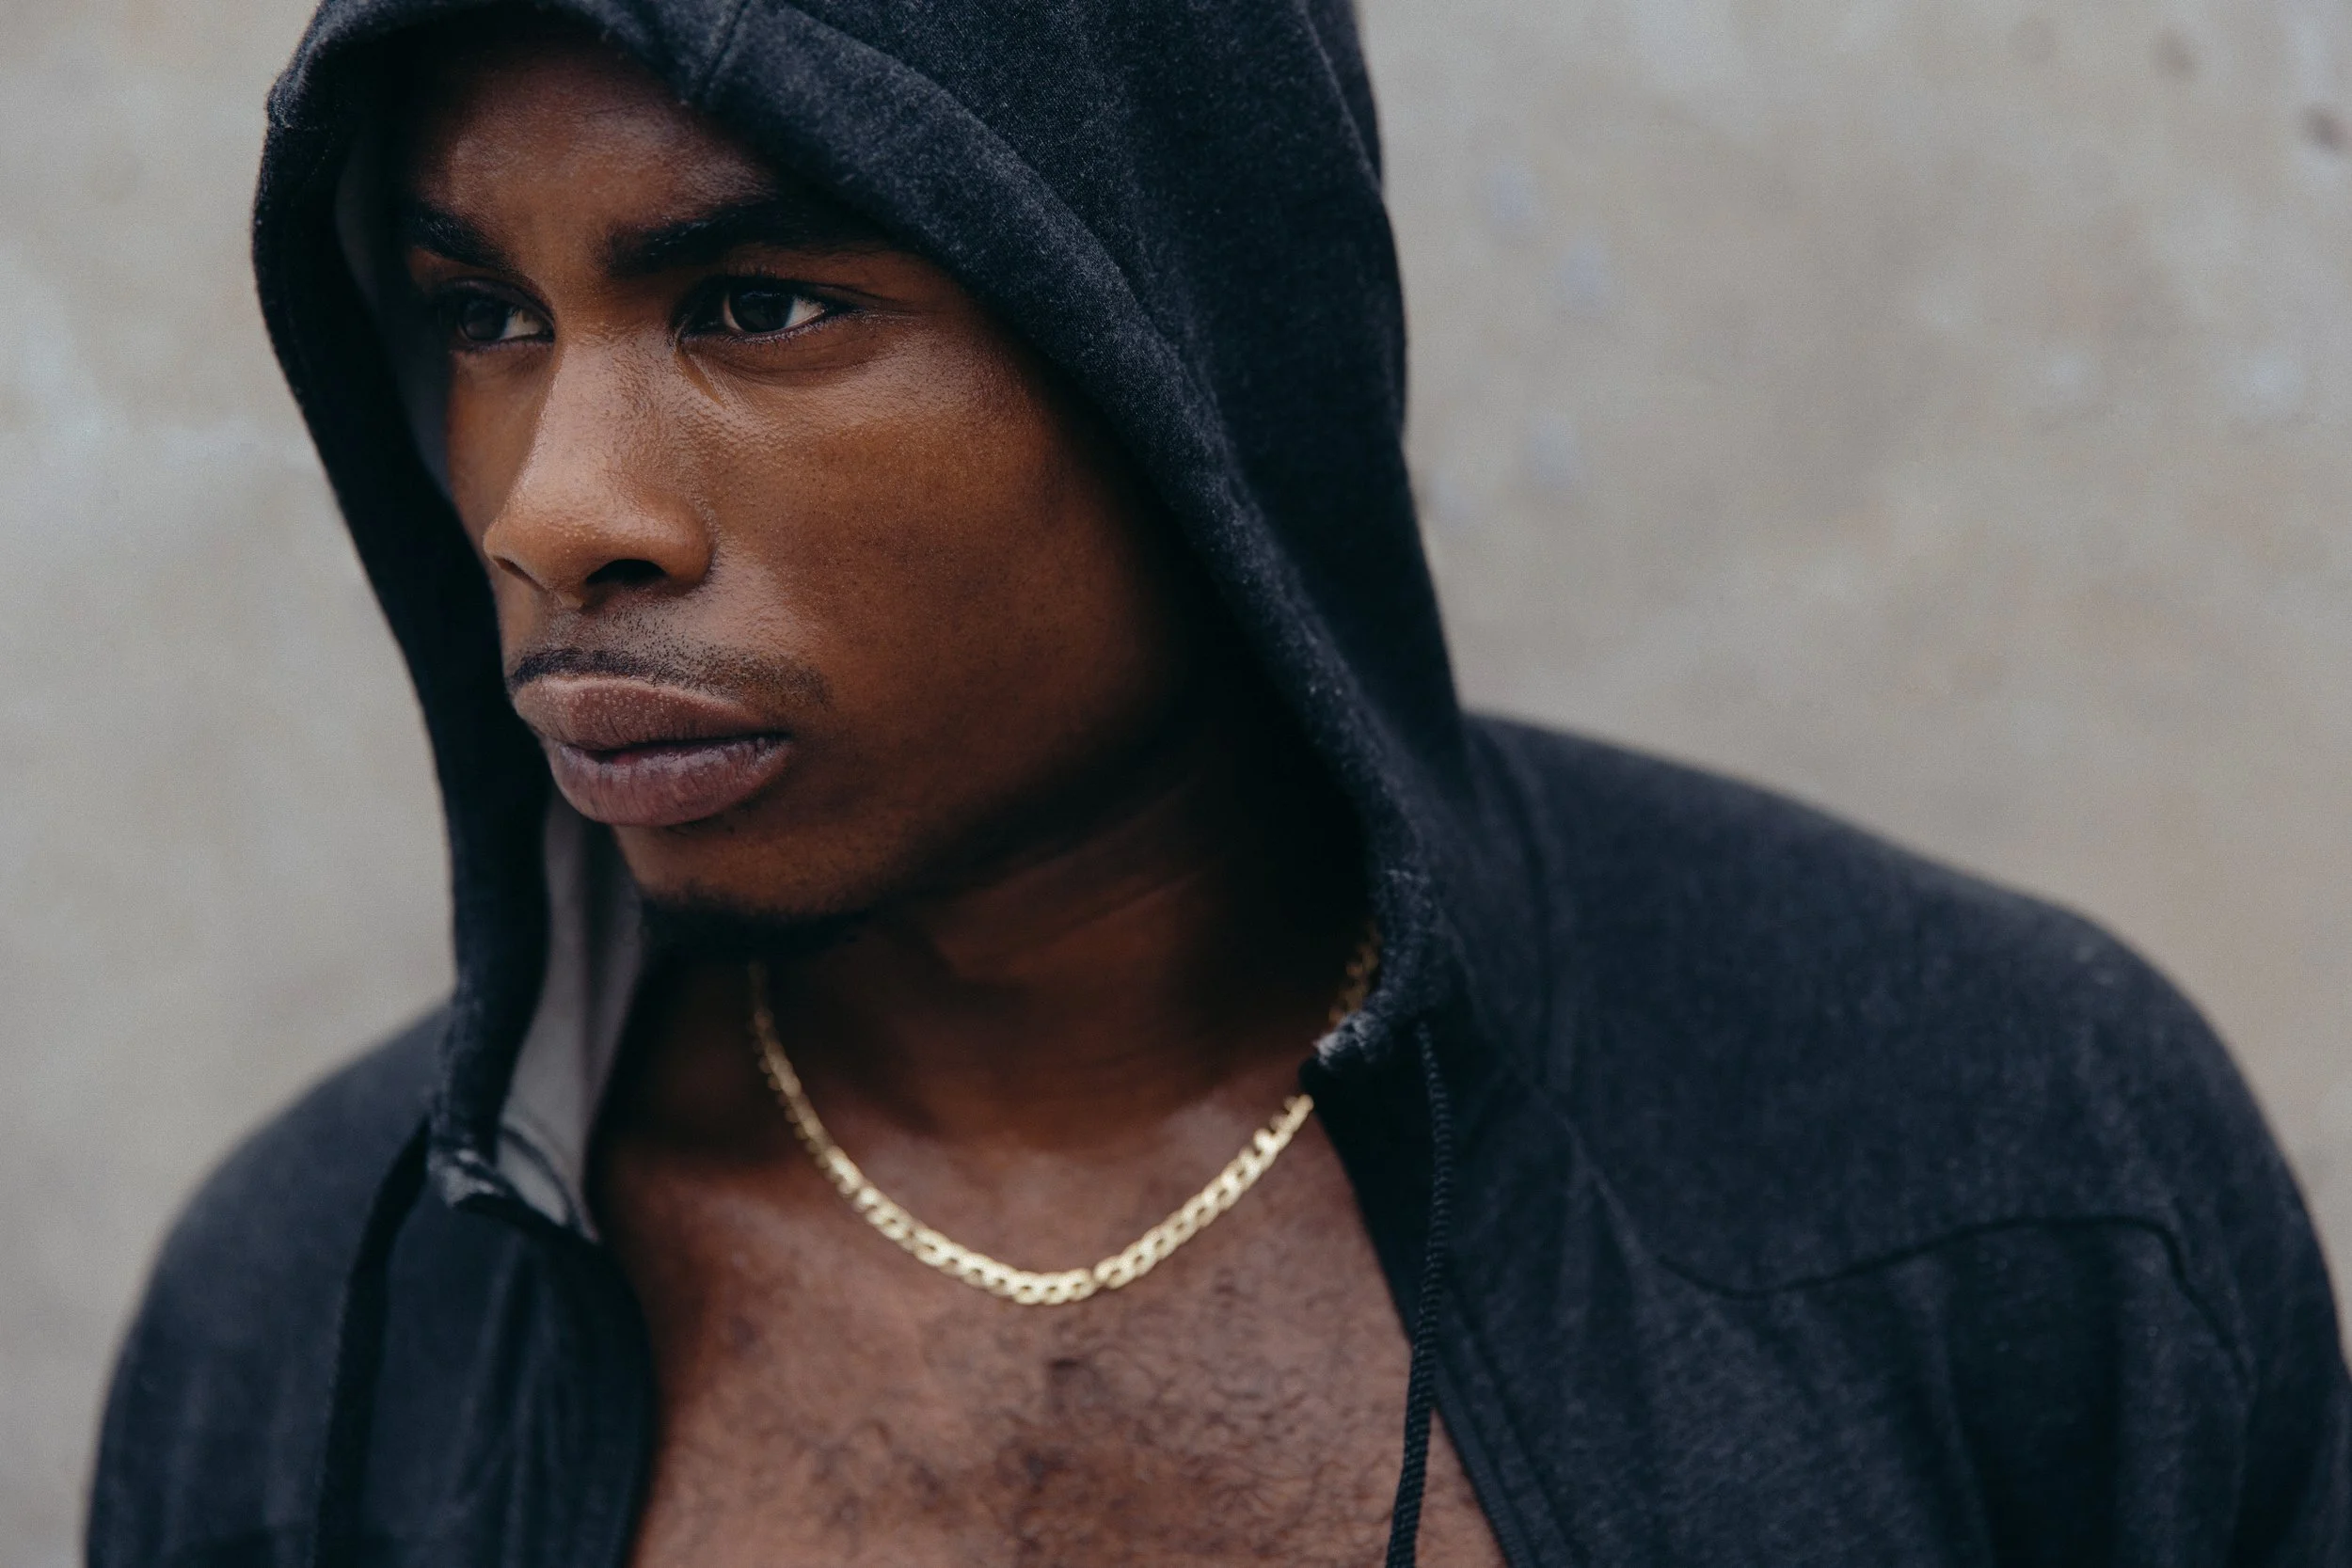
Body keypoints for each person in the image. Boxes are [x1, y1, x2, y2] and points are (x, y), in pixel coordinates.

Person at [88, 1, 2348, 1563]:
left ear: (1187, 349)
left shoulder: (1987, 1156)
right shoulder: (316, 1320)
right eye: (480, 318)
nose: (551, 508)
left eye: (756, 302)